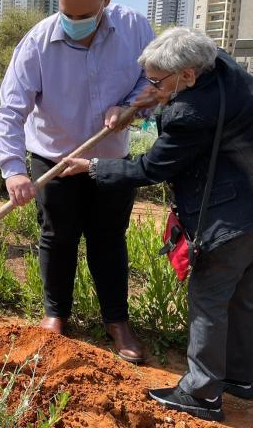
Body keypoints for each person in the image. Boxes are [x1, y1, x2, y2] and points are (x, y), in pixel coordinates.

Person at [62, 27, 253, 423]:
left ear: (187, 75)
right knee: (242, 295)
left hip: (228, 216)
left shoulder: (188, 114)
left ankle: (202, 394)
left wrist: (94, 167)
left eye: (156, 80)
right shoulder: (223, 66)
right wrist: (156, 95)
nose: (150, 86)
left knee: (209, 302)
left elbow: (150, 167)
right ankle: (240, 376)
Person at [0, 0, 155, 363]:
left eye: (83, 14)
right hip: (55, 159)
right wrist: (13, 170)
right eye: (66, 13)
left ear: (107, 0)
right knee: (57, 238)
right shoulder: (37, 42)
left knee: (108, 239)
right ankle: (55, 316)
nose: (73, 21)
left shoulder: (134, 28)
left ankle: (117, 321)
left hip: (109, 158)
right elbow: (10, 112)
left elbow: (153, 78)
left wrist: (130, 106)